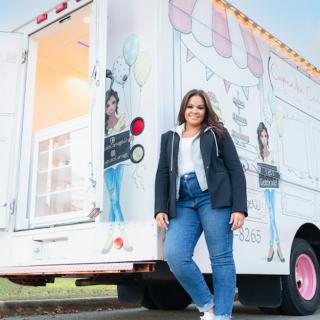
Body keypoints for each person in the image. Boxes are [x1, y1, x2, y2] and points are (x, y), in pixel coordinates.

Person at [154, 89, 247, 320]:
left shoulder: (216, 133)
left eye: (200, 107)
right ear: (183, 109)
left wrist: (239, 207)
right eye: (190, 106)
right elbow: (163, 173)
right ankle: (208, 306)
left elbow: (235, 169)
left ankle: (223, 316)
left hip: (212, 198)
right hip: (182, 200)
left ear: (206, 111)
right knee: (175, 255)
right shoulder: (170, 137)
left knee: (221, 257)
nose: (194, 111)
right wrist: (160, 208)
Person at [102, 89, 132, 253]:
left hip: (120, 164)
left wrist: (130, 139)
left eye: (113, 103)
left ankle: (108, 239)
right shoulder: (102, 127)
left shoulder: (122, 120)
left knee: (114, 201)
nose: (111, 107)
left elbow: (127, 138)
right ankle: (125, 238)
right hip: (107, 167)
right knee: (114, 201)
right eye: (107, 105)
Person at [257, 122, 285, 263]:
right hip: (264, 189)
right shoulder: (259, 153)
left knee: (272, 217)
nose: (264, 138)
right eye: (262, 136)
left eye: (266, 136)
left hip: (272, 188)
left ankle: (274, 246)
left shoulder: (271, 152)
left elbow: (275, 169)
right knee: (271, 216)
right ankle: (275, 246)